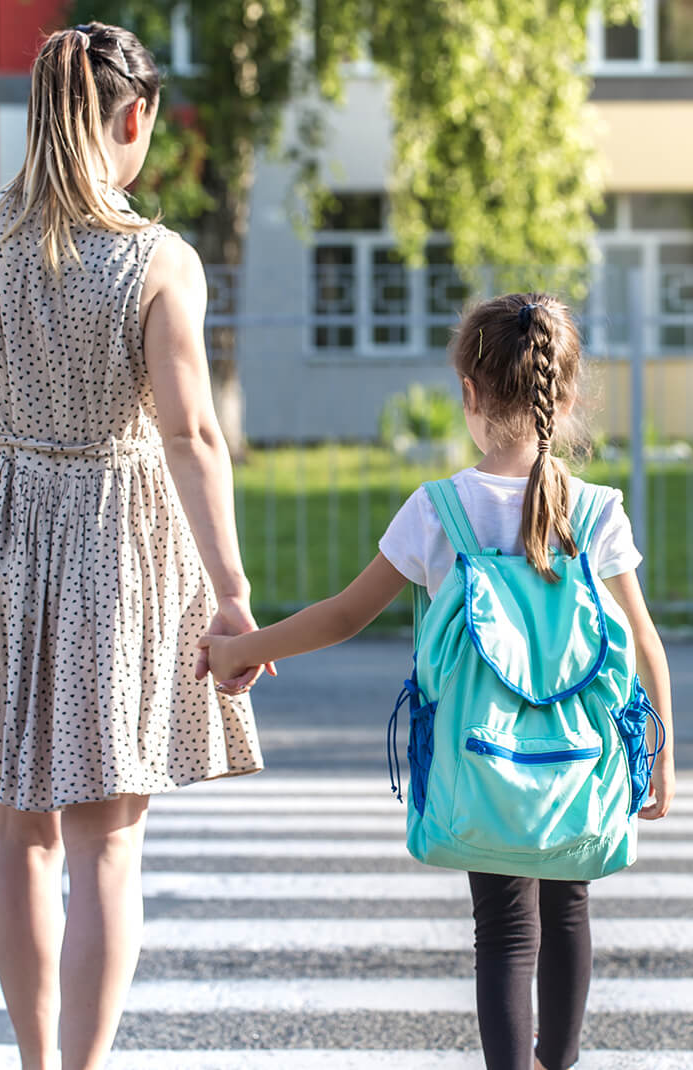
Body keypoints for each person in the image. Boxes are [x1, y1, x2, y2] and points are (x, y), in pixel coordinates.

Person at [0, 21, 271, 1070]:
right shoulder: (157, 259)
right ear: (134, 117)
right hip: (119, 546)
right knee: (108, 843)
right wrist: (232, 592)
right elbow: (192, 437)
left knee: (23, 830)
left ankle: (34, 1060)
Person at [199, 292, 676, 1070]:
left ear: (467, 393)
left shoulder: (439, 511)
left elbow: (344, 615)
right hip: (582, 758)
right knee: (568, 910)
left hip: (479, 761)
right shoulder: (595, 512)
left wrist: (239, 650)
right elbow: (644, 641)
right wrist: (660, 754)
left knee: (504, 929)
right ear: (565, 398)